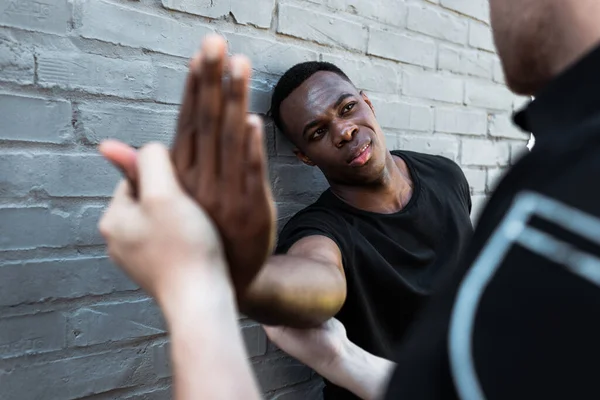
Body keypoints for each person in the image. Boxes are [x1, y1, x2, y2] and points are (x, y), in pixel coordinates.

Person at [265, 0, 600, 399]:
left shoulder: (445, 174)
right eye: (318, 132)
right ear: (304, 155)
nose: (343, 131)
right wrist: (249, 275)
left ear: (368, 104)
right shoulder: (318, 228)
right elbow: (318, 274)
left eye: (348, 108)